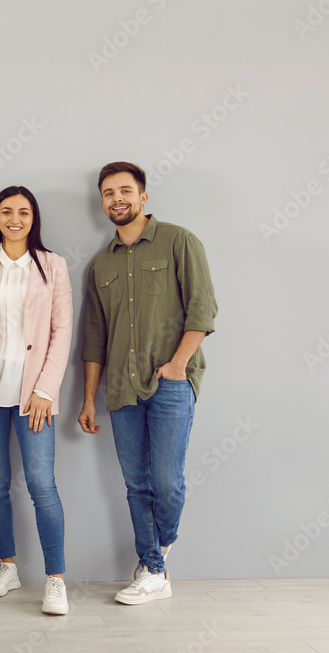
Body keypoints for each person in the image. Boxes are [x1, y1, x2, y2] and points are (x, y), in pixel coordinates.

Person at [78, 161, 217, 605]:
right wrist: (87, 399)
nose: (116, 199)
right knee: (135, 484)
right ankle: (154, 570)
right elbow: (95, 338)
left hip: (171, 382)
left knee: (166, 480)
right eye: (108, 193)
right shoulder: (100, 264)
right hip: (119, 388)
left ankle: (157, 551)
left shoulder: (179, 241)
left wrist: (177, 365)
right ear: (102, 202)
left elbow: (203, 310)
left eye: (125, 191)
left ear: (143, 196)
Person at [0, 186, 73, 615]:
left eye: (23, 212)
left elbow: (62, 332)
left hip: (33, 397)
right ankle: (7, 566)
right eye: (7, 211)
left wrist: (45, 390)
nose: (15, 219)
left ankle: (56, 580)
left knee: (42, 485)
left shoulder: (53, 266)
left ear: (34, 218)